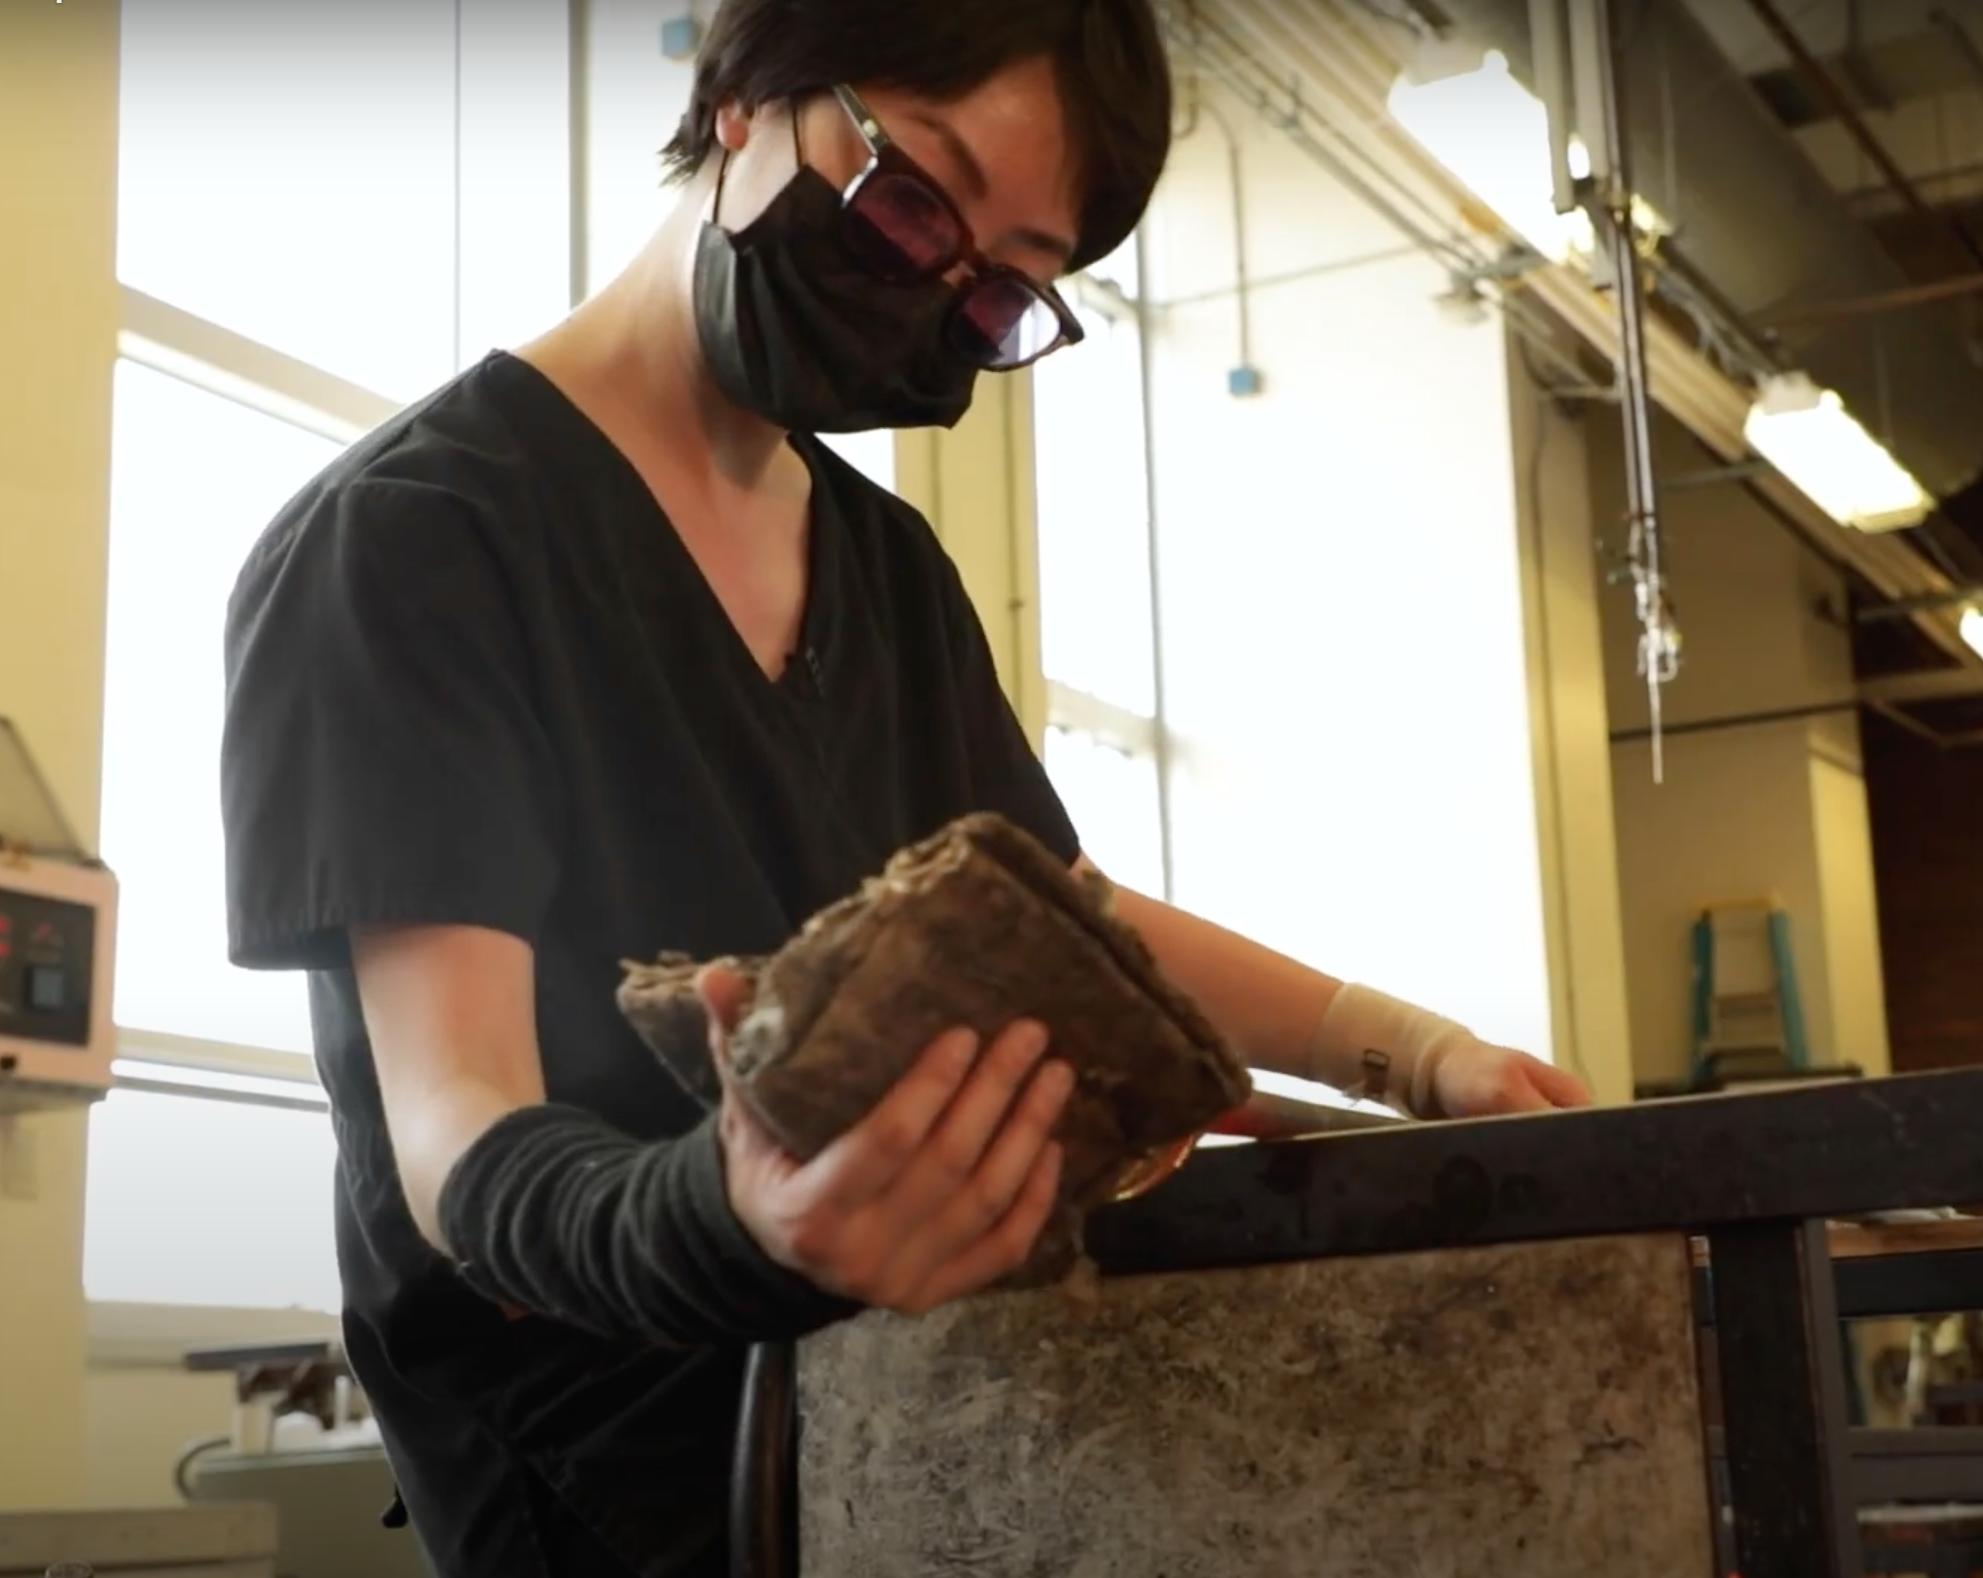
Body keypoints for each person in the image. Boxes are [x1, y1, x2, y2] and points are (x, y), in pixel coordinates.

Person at [218, 1, 1593, 1573]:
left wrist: (1411, 1054)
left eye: (1005, 289)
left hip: (904, 1435)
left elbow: (1047, 906)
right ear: (745, 94)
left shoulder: (885, 568)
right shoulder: (412, 542)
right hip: (601, 1470)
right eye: (912, 200)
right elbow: (458, 1136)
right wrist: (726, 1220)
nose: (937, 293)